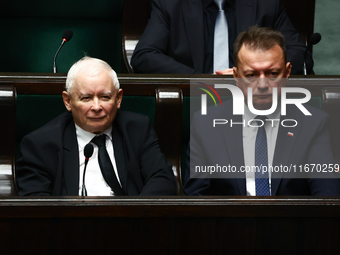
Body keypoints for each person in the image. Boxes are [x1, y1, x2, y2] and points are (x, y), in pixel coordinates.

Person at [183, 26, 340, 196]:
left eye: (273, 73)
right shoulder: (206, 123)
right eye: (251, 75)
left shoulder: (313, 123)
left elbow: (326, 195)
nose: (263, 85)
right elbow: (196, 198)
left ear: (287, 72)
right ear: (236, 76)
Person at [16, 57, 177, 196]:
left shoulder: (137, 129)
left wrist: (134, 220)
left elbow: (162, 179)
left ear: (118, 98)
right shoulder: (40, 144)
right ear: (68, 101)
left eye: (105, 97)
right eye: (86, 98)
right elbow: (36, 205)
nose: (97, 106)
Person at [131, 0, 313, 75]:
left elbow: (297, 53)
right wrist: (202, 80)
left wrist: (252, 76)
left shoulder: (265, 4)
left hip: (255, 98)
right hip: (194, 100)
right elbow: (145, 56)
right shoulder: (170, 4)